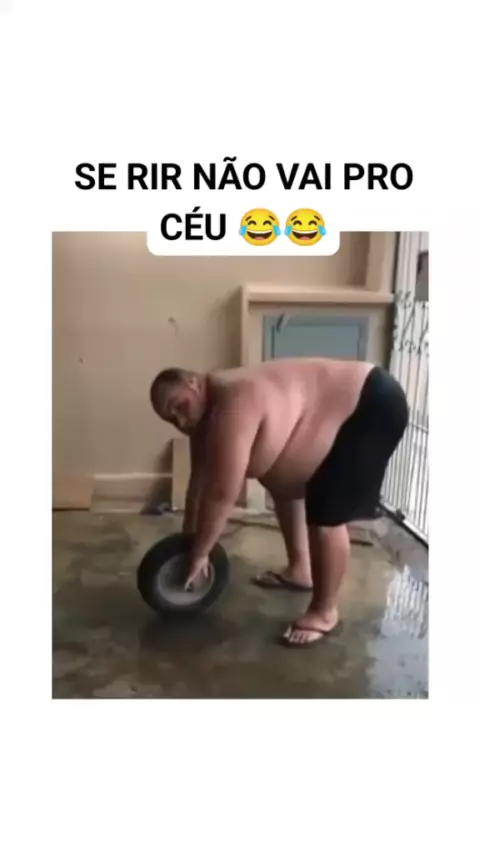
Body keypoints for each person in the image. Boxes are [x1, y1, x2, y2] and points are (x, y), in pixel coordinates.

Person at [149, 359, 408, 648]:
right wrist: (188, 543)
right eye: (171, 419)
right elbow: (198, 483)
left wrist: (200, 554)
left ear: (193, 383)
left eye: (179, 407)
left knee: (326, 515)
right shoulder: (203, 419)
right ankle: (300, 570)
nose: (181, 421)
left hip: (370, 404)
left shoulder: (233, 401)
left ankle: (324, 612)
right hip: (352, 399)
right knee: (282, 485)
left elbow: (221, 494)